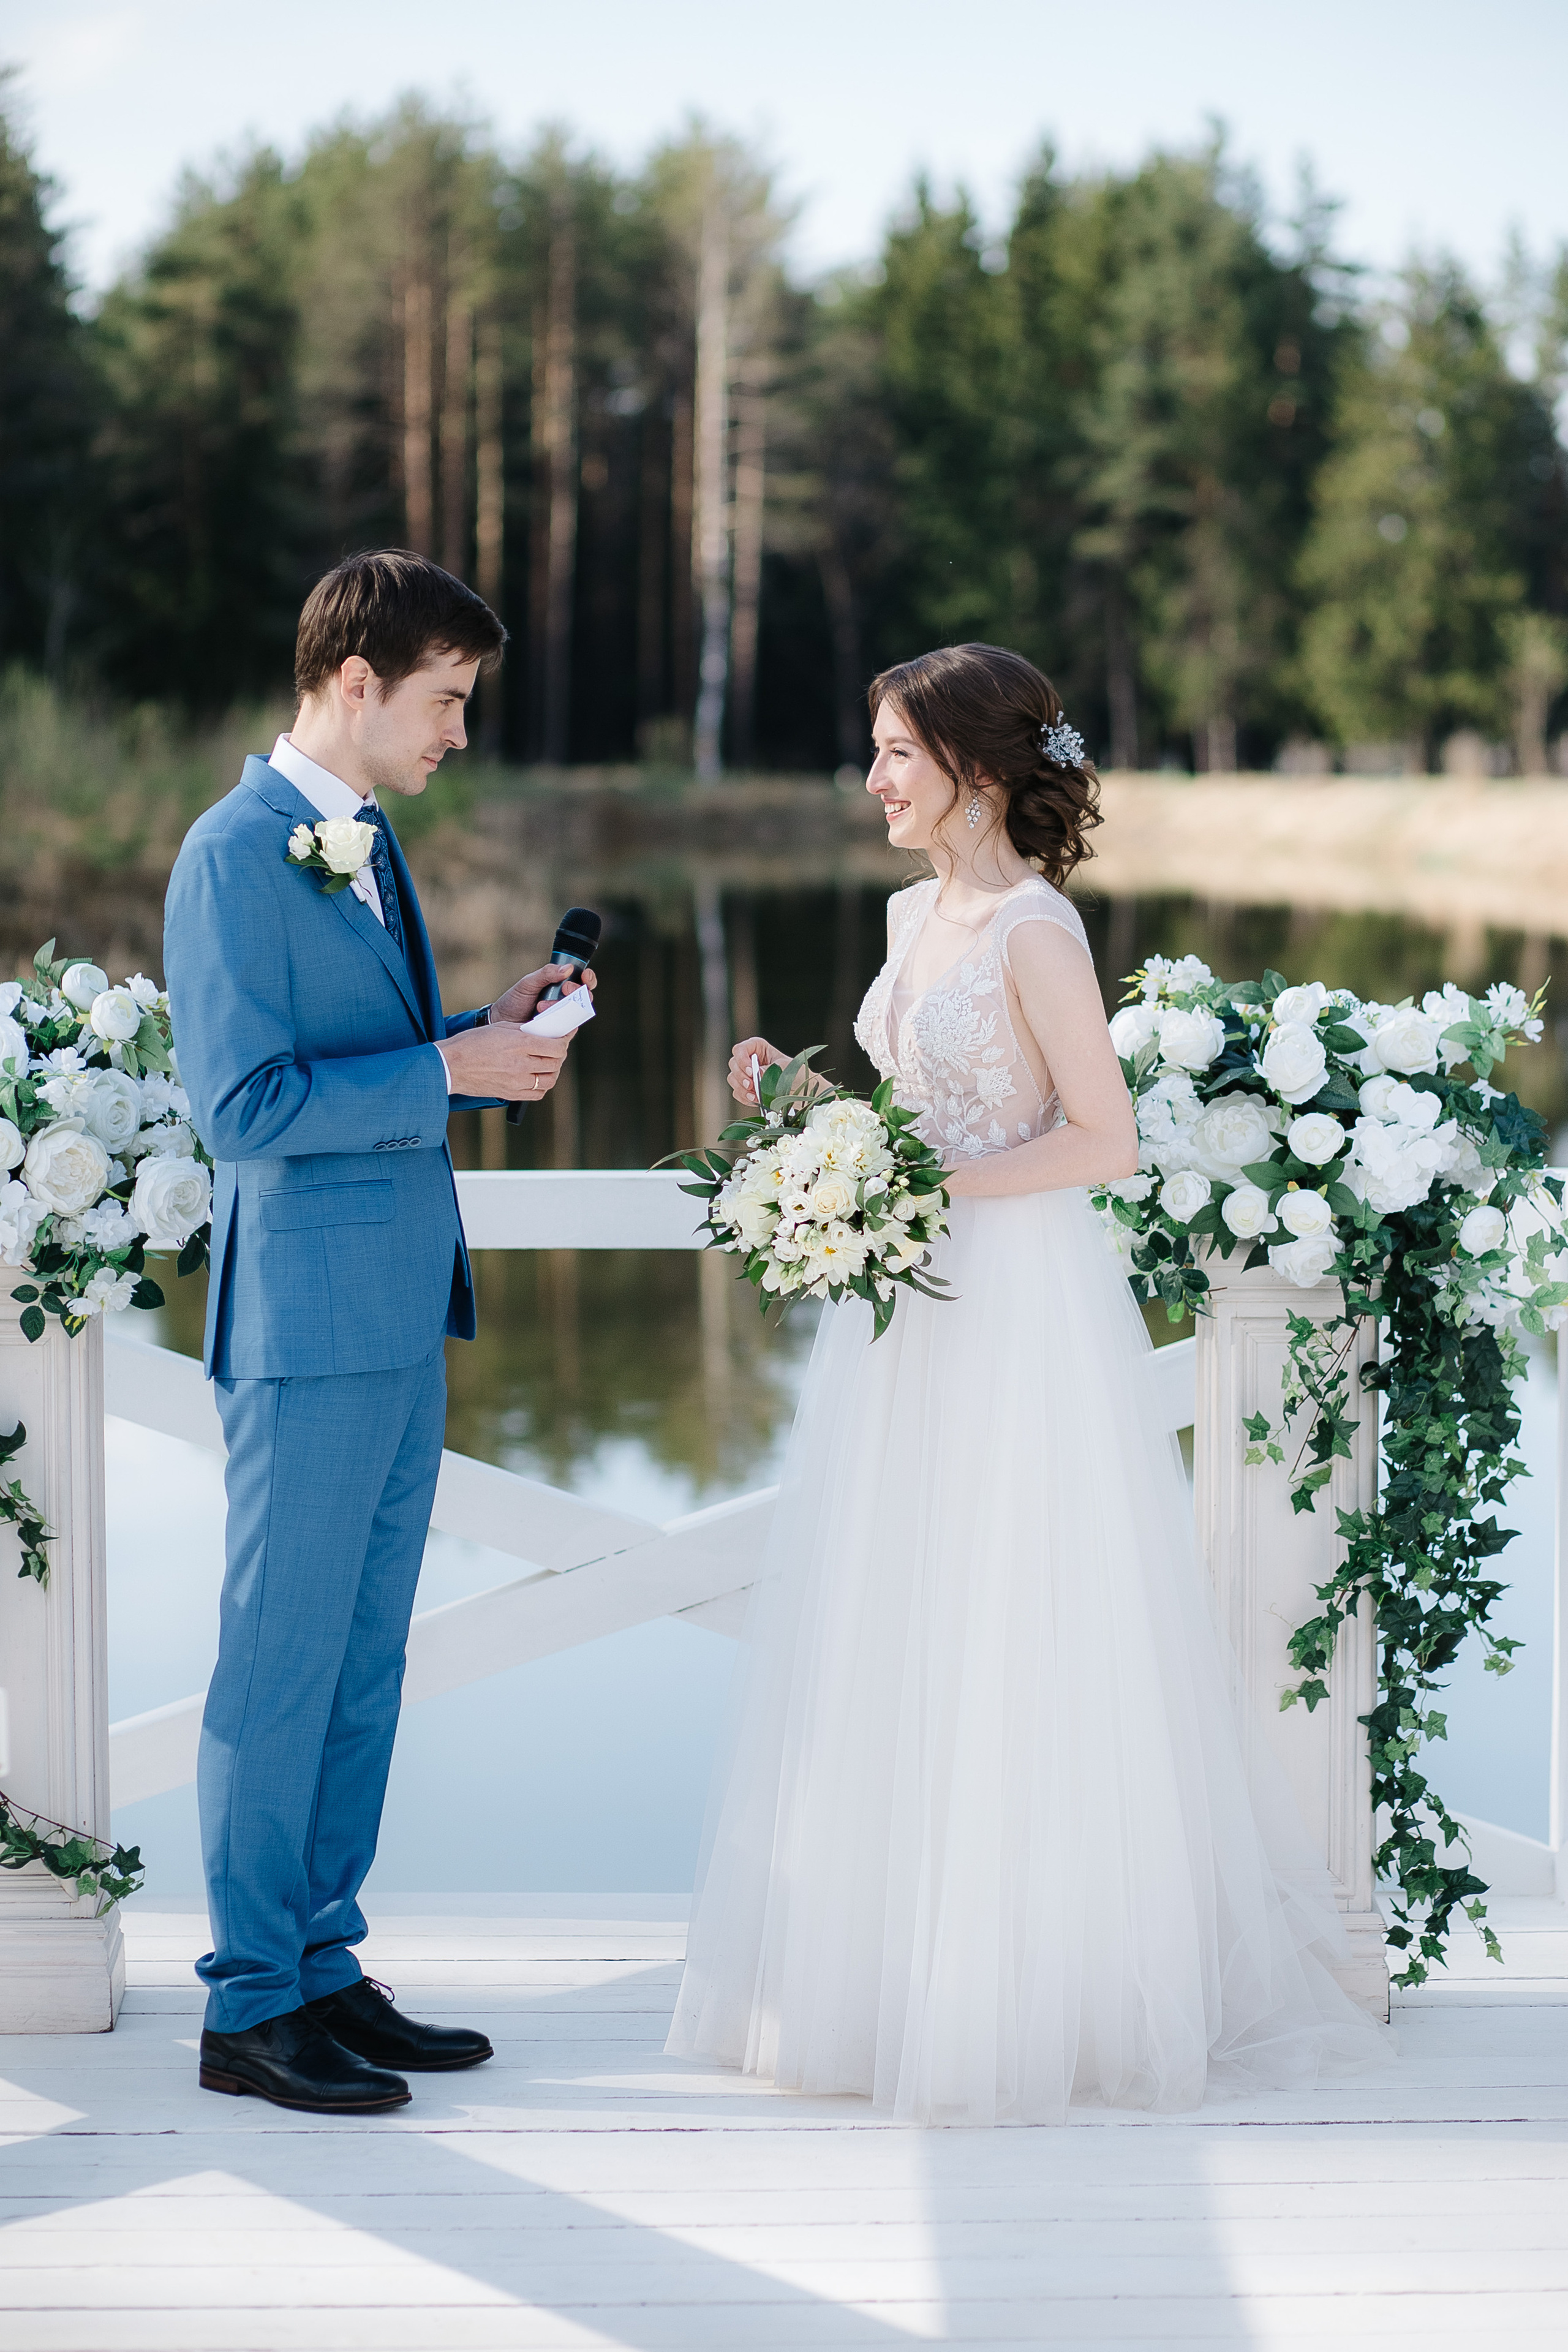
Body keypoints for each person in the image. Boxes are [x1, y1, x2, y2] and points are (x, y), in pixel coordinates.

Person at [666, 642, 1388, 2124]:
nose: (871, 779)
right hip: (907, 1318)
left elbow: (1099, 1141)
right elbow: (916, 1109)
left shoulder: (1035, 932)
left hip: (1010, 1312)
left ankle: (1024, 1995)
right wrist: (813, 1115)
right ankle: (884, 1980)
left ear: (977, 774)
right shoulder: (906, 912)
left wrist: (920, 1180)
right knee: (899, 1617)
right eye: (872, 751)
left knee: (1014, 1622)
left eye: (893, 755)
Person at [164, 550, 592, 2114]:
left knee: (357, 1672)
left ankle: (326, 1968)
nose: (456, 732)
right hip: (301, 1325)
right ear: (356, 683)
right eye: (446, 700)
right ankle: (247, 2010)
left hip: (402, 1310)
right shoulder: (231, 855)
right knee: (275, 1675)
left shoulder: (368, 842)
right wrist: (452, 1077)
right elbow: (241, 1110)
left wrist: (482, 1025)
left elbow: (368, 1054)